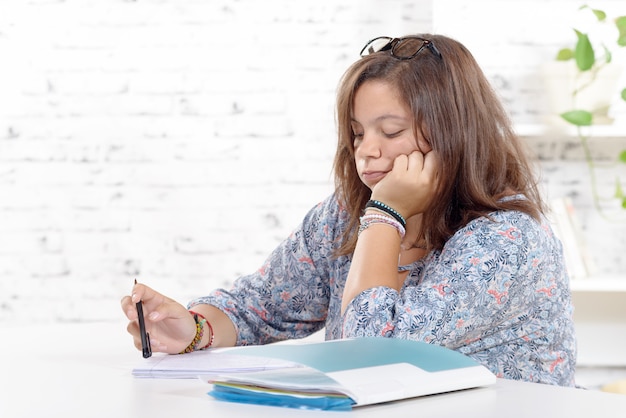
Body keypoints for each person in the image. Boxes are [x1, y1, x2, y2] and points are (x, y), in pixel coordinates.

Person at [121, 33, 577, 386]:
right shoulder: (344, 214)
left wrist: (385, 217)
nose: (367, 153)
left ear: (453, 133)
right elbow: (262, 305)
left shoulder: (507, 240)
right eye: (358, 133)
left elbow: (373, 352)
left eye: (391, 131)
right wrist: (194, 330)